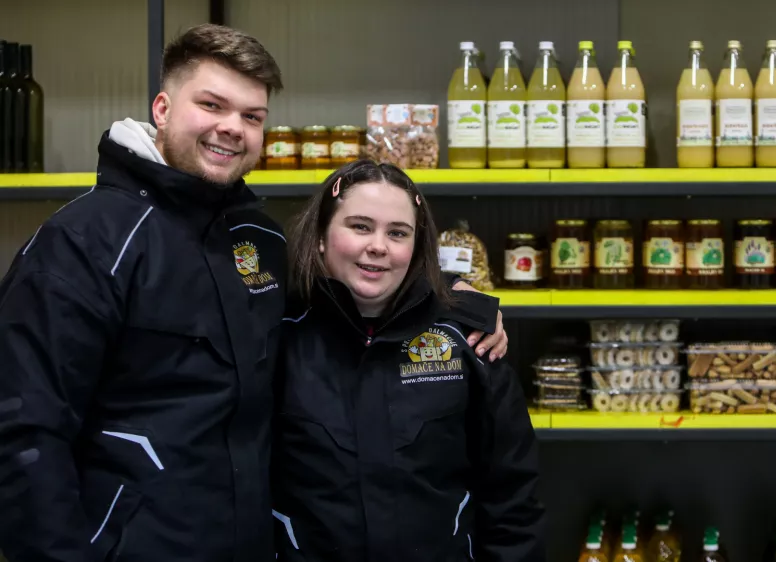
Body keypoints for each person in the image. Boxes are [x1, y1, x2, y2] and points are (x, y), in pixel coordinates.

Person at [0, 24, 506, 562]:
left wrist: (458, 304)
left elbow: (350, 286)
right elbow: (23, 433)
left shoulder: (259, 239)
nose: (231, 128)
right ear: (163, 107)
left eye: (252, 116)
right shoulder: (84, 241)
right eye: (212, 104)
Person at [270, 160, 544, 562]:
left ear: (416, 246)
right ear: (322, 237)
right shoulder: (275, 333)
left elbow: (512, 495)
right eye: (360, 226)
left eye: (397, 233)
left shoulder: (468, 338)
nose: (378, 245)